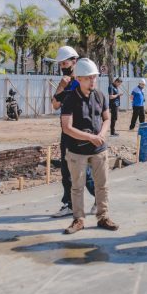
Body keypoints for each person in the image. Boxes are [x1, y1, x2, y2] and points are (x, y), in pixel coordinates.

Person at [61, 58, 119, 234]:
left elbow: (107, 118)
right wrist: (90, 137)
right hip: (77, 151)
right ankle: (78, 219)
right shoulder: (70, 98)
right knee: (77, 186)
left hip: (99, 150)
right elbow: (67, 127)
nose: (92, 80)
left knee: (102, 185)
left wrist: (101, 135)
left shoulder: (100, 95)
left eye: (94, 77)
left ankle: (103, 216)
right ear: (78, 78)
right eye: (88, 78)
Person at [51, 46, 96, 218]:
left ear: (74, 61)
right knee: (66, 169)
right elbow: (55, 104)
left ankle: (99, 198)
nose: (63, 66)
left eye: (65, 62)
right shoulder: (65, 82)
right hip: (66, 132)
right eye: (61, 63)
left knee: (82, 169)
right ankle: (68, 204)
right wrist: (61, 87)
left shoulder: (82, 81)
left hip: (81, 131)